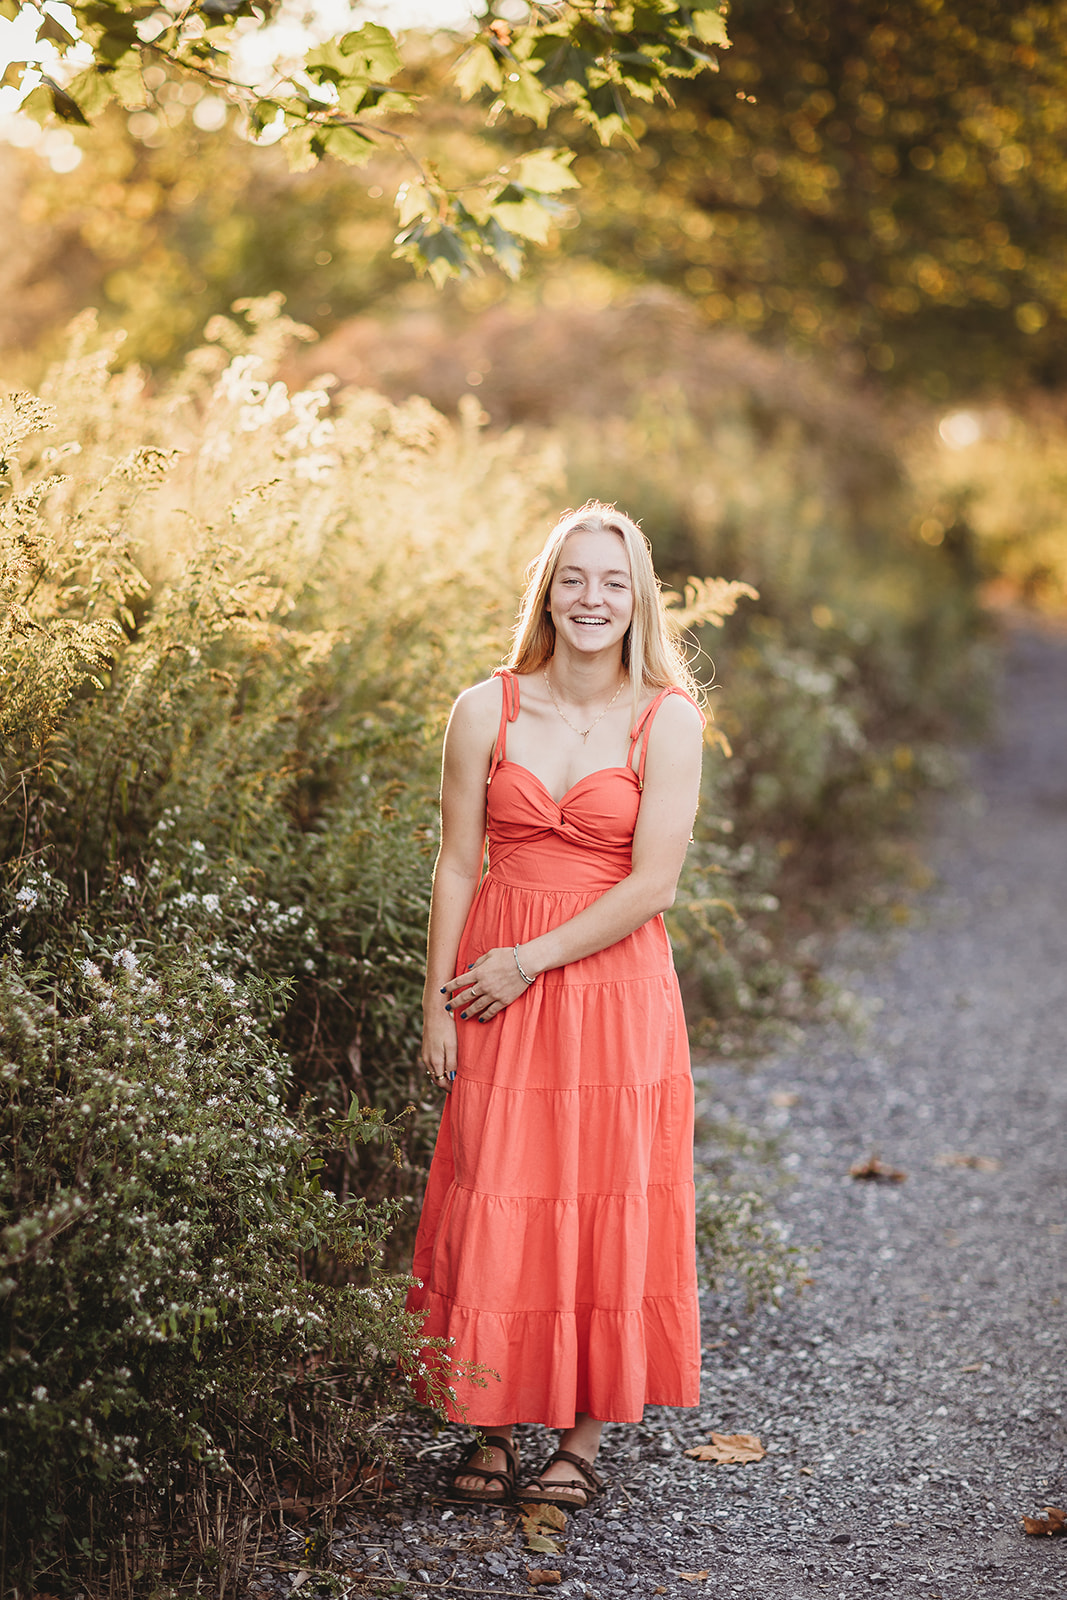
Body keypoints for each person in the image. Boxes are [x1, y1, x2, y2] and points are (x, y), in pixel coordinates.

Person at [406, 500, 705, 1509]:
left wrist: (525, 959)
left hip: (609, 989)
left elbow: (649, 885)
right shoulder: (483, 708)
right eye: (572, 578)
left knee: (597, 1192)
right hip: (487, 988)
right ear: (547, 588)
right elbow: (455, 863)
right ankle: (487, 1417)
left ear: (637, 600)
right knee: (497, 1185)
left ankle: (579, 1436)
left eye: (612, 582)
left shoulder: (668, 719)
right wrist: (434, 1002)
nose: (591, 599)